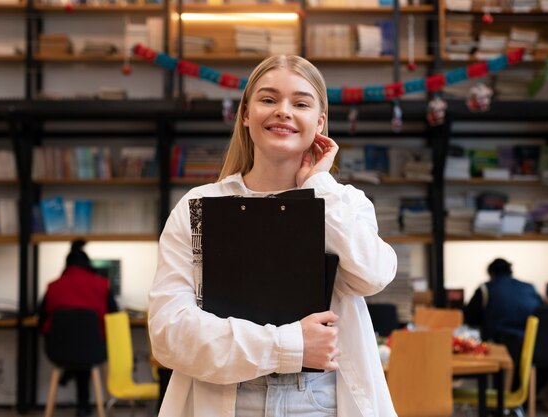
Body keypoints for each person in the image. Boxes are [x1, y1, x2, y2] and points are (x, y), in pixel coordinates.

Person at [148, 55, 398, 417]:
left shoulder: (345, 202)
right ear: (246, 114)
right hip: (224, 397)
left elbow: (373, 275)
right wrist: (290, 344)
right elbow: (169, 334)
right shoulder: (199, 205)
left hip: (318, 399)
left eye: (300, 103)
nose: (283, 111)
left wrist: (317, 186)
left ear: (320, 123)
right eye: (268, 99)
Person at [39, 239, 118, 417]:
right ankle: (84, 403)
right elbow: (114, 318)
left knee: (74, 343)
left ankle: (69, 374)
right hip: (94, 350)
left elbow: (41, 321)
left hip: (58, 351)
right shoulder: (101, 285)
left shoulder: (53, 287)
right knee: (85, 343)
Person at [463, 258, 543, 390]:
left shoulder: (486, 289)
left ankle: (498, 400)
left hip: (502, 346)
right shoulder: (529, 288)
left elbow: (470, 316)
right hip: (534, 345)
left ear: (491, 273)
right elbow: (542, 310)